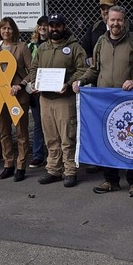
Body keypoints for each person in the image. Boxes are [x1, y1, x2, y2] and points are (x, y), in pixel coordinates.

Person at [73, 5, 133, 197]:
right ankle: (111, 180)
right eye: (112, 20)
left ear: (125, 21)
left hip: (129, 102)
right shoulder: (100, 42)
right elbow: (94, 69)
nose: (116, 23)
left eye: (119, 20)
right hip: (105, 102)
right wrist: (81, 81)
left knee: (130, 142)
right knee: (107, 141)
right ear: (107, 21)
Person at [27, 13, 87, 188]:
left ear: (64, 27)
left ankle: (70, 171)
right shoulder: (43, 48)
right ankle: (53, 169)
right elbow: (34, 67)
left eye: (57, 26)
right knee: (51, 136)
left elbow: (82, 69)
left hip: (64, 98)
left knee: (67, 136)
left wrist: (68, 84)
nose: (54, 29)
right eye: (51, 26)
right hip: (45, 98)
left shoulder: (74, 47)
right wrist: (34, 82)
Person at [0, 17, 32, 182]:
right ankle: (8, 164)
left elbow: (31, 70)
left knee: (21, 132)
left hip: (17, 97)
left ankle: (21, 165)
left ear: (14, 30)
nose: (6, 31)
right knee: (4, 132)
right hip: (0, 98)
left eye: (9, 28)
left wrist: (21, 84)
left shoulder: (22, 47)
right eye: (3, 28)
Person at [26, 15, 49, 168]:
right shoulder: (31, 46)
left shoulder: (55, 44)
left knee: (52, 124)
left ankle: (54, 155)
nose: (42, 28)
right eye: (40, 25)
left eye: (45, 25)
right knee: (38, 123)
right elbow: (28, 67)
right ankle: (38, 154)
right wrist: (31, 84)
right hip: (35, 90)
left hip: (51, 88)